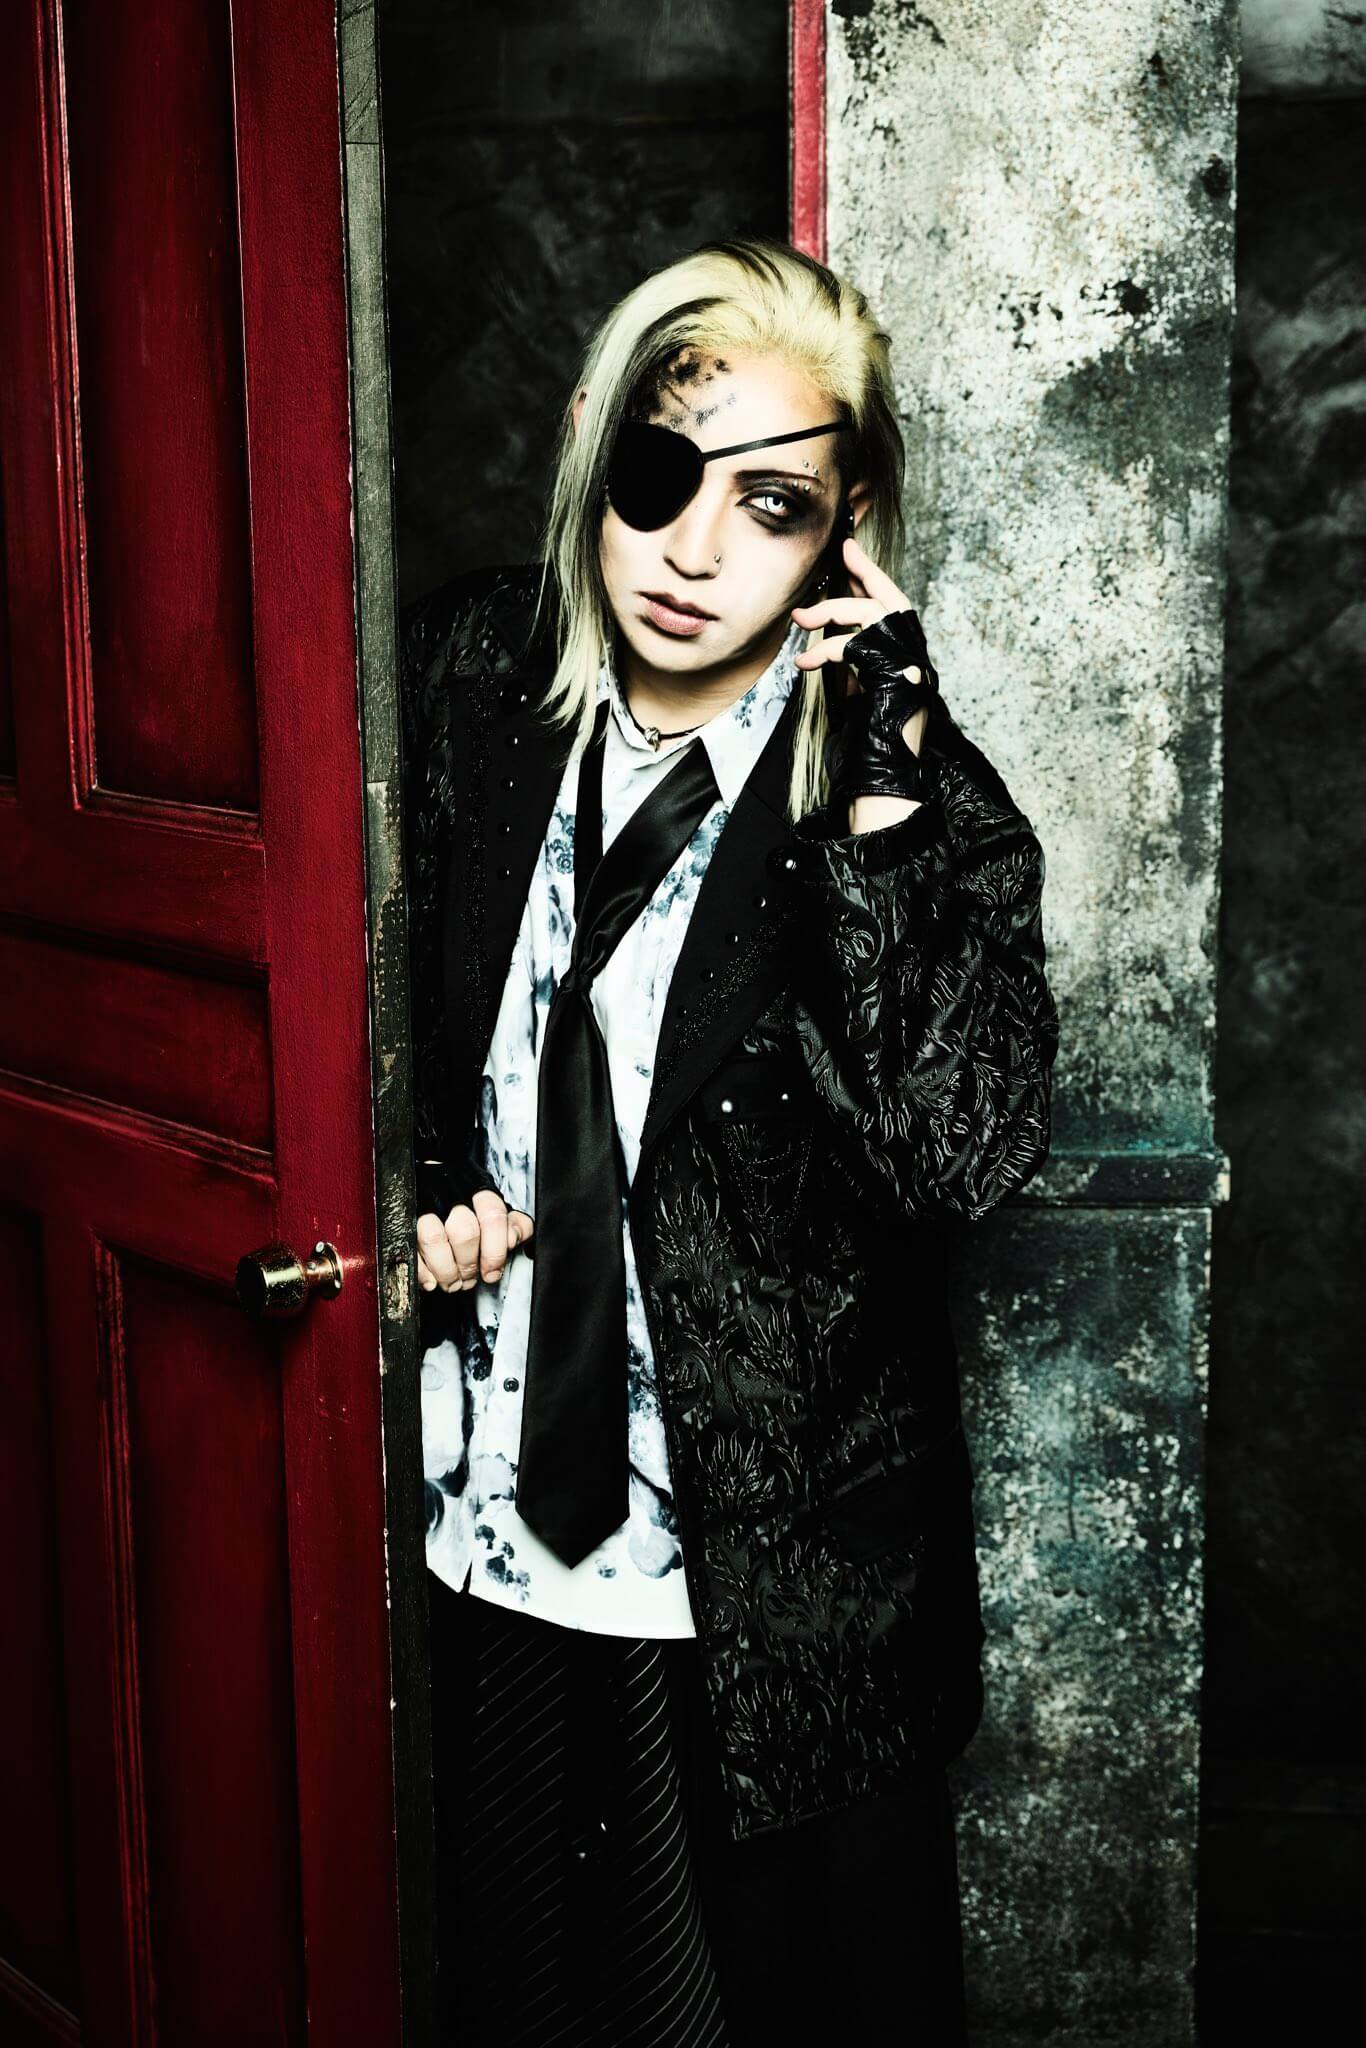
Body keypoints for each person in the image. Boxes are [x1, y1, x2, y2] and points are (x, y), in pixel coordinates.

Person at [399, 233, 1059, 2046]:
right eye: (661, 476)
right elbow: (359, 1009)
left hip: (764, 1577)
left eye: (771, 509)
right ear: (588, 447)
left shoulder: (904, 793)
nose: (693, 553)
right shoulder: (467, 677)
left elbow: (953, 1158)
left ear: (849, 533)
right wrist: (424, 1193)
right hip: (485, 1512)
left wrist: (882, 805)